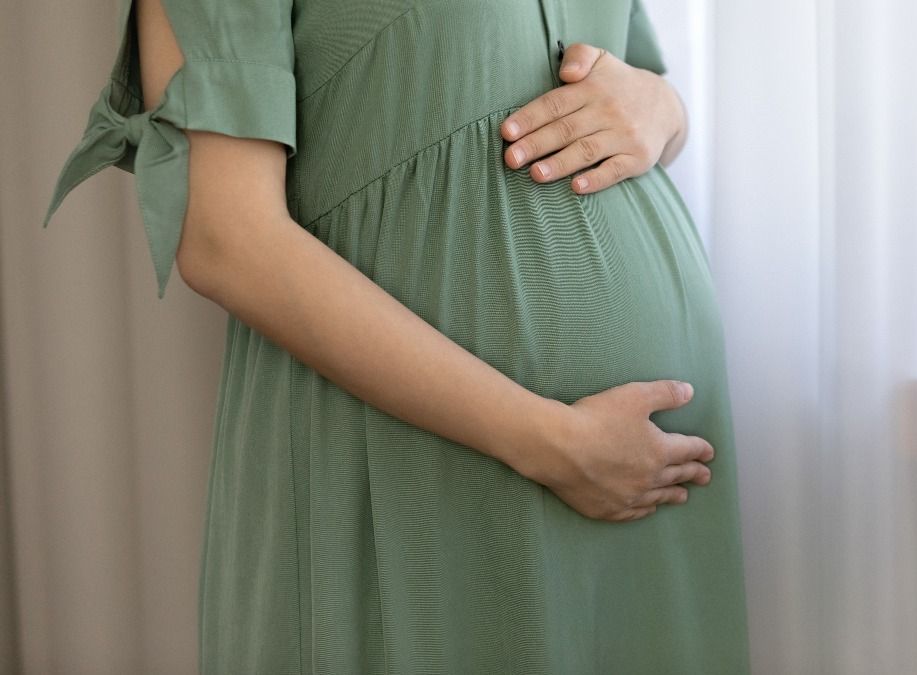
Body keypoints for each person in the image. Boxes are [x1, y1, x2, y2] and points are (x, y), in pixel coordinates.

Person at [42, 0, 752, 672]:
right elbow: (226, 239)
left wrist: (665, 109)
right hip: (438, 460)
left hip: (650, 483)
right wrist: (553, 443)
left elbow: (639, 81)